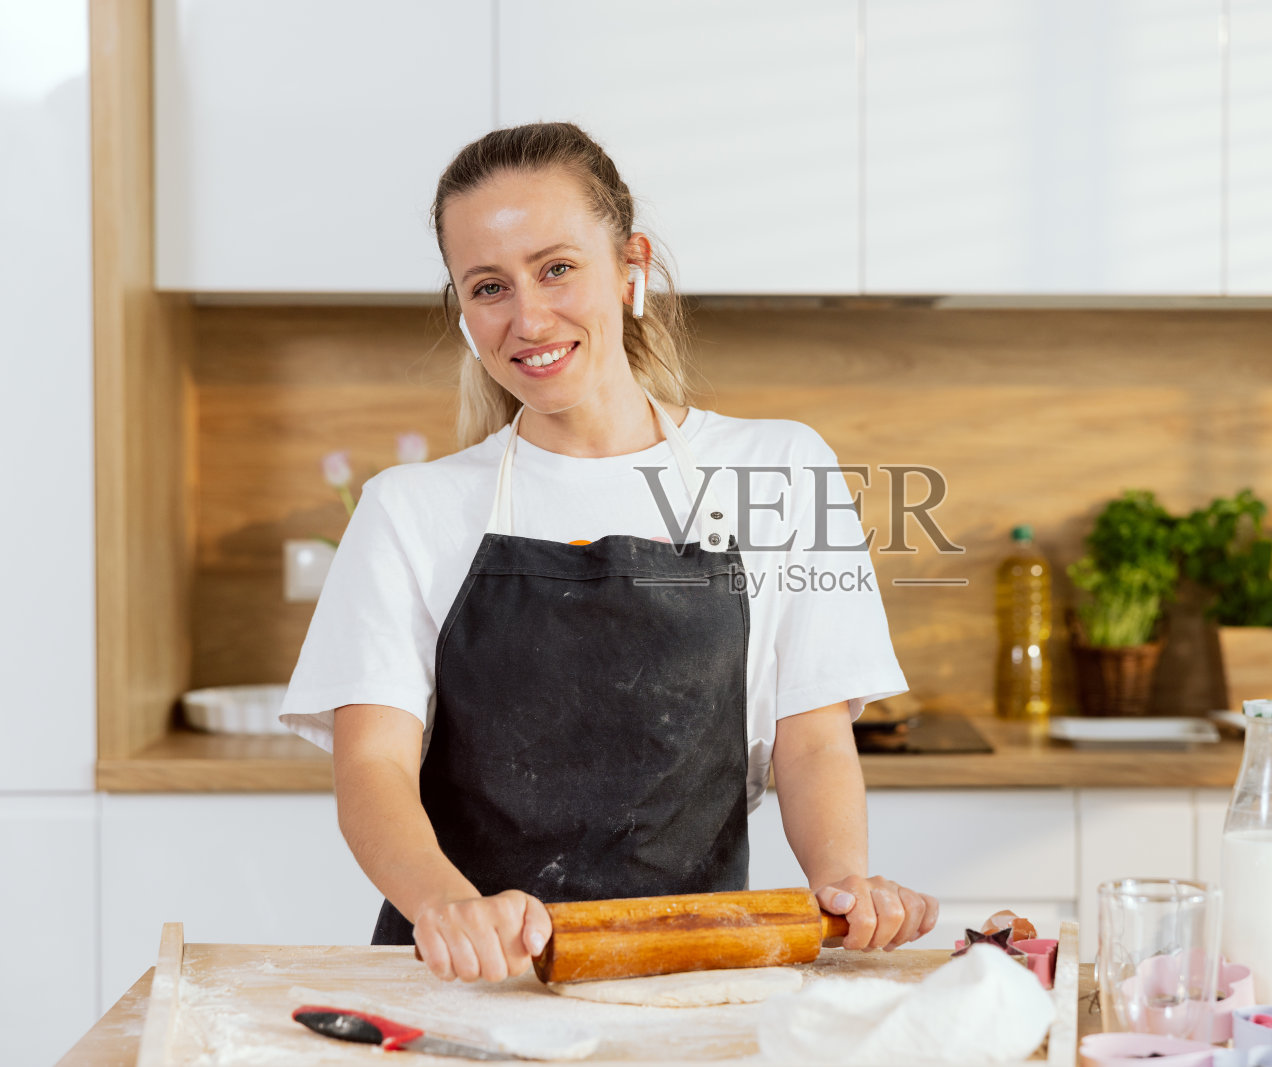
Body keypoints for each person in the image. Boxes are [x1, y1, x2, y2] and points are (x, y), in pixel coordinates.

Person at [279, 122, 938, 983]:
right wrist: (447, 904)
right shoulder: (410, 509)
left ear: (632, 266)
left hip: (690, 972)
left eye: (557, 268)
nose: (528, 315)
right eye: (488, 286)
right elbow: (372, 766)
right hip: (469, 981)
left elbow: (810, 738)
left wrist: (845, 882)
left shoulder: (778, 467)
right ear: (463, 310)